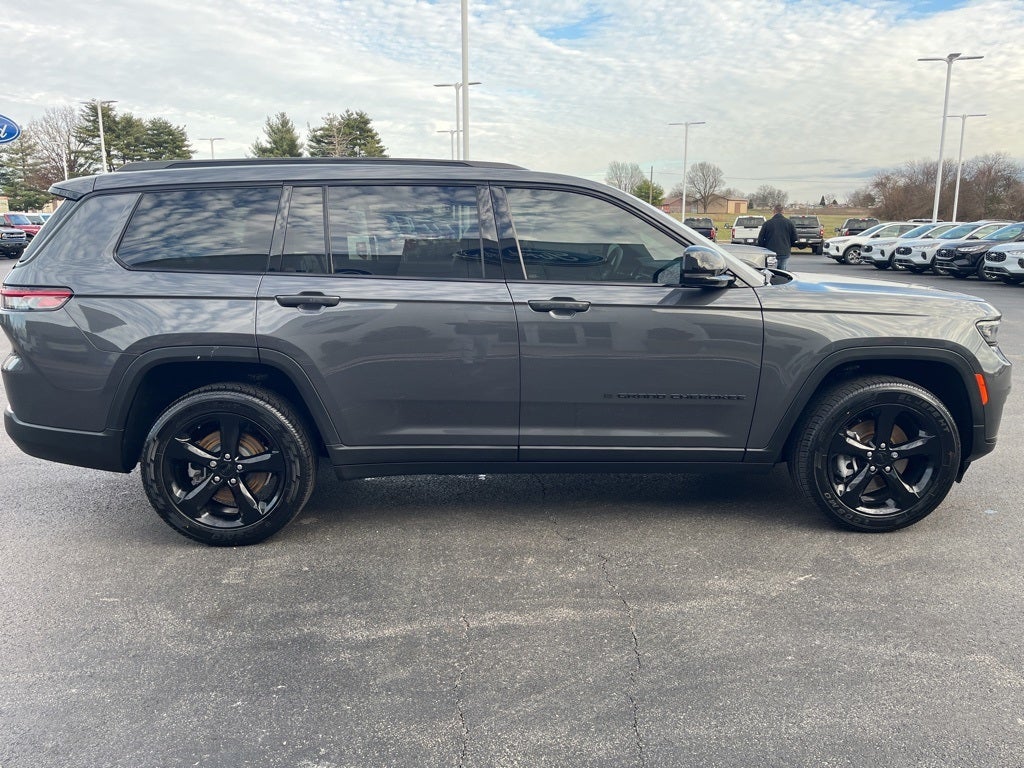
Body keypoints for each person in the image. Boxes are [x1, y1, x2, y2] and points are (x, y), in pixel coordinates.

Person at [757, 204, 798, 271]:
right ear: (783, 212)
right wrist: (788, 245)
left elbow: (760, 239)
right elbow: (795, 238)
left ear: (774, 211)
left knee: (770, 271)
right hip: (784, 251)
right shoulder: (789, 223)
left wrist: (764, 247)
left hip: (770, 251)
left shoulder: (767, 223)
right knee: (782, 271)